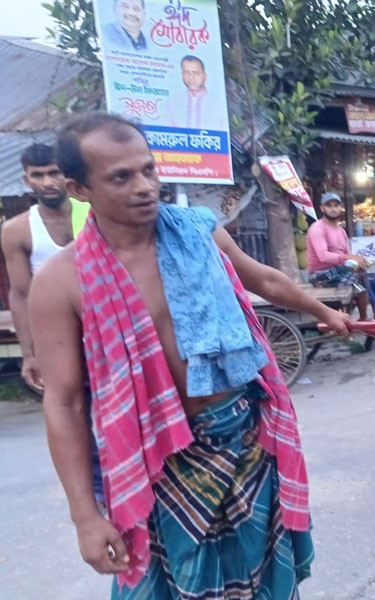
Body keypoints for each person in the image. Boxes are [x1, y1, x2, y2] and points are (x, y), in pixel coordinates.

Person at [30, 112, 352, 598]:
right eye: (121, 177)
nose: (144, 187)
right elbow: (65, 403)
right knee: (177, 583)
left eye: (148, 170)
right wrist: (85, 517)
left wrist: (323, 310)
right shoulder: (61, 281)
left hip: (243, 437)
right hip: (158, 461)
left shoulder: (199, 233)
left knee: (262, 573)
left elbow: (261, 278)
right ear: (79, 188)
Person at [2, 144, 89, 391]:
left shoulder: (93, 214)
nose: (47, 182)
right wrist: (29, 353)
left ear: (67, 176)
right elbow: (20, 294)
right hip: (57, 339)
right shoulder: (17, 230)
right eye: (38, 175)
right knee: (73, 413)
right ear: (26, 179)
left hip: (105, 332)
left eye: (54, 173)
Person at [306, 192, 370, 318]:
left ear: (340, 207)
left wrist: (358, 261)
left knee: (368, 278)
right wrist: (348, 258)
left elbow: (346, 255)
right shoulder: (317, 228)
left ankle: (365, 320)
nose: (333, 209)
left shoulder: (341, 231)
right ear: (322, 208)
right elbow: (323, 256)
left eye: (336, 205)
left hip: (338, 270)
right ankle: (352, 320)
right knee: (359, 282)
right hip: (320, 274)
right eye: (329, 206)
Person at [165, 56, 228, 130]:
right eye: (186, 73)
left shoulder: (219, 106)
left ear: (205, 76)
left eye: (196, 73)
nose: (191, 77)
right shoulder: (173, 103)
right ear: (182, 75)